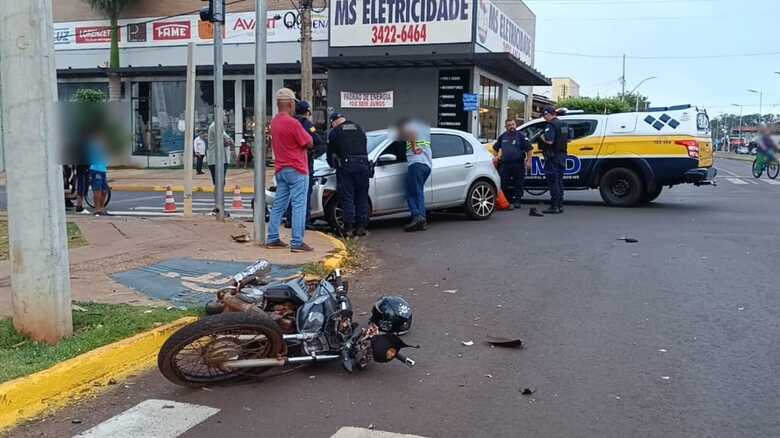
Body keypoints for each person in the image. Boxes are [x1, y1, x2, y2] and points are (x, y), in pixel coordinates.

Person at [266, 88, 314, 252]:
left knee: (279, 205)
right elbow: (309, 142)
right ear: (290, 103)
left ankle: (272, 237)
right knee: (299, 205)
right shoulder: (293, 123)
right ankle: (297, 242)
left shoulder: (274, 122)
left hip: (281, 169)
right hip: (297, 168)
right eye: (294, 103)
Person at [327, 112, 370, 237]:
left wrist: (332, 164)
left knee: (347, 197)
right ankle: (361, 226)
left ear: (334, 122)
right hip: (363, 166)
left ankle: (349, 228)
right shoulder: (359, 128)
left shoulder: (335, 132)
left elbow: (330, 154)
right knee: (362, 196)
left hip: (347, 167)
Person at [294, 100, 326, 229]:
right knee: (304, 192)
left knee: (292, 193)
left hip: (290, 162)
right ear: (307, 112)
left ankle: (290, 220)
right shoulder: (307, 124)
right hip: (305, 161)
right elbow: (317, 140)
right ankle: (305, 221)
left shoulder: (290, 121)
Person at [399, 118, 432, 232]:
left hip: (416, 163)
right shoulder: (425, 128)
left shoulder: (411, 124)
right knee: (419, 192)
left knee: (410, 193)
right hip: (427, 165)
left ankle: (417, 216)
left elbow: (411, 133)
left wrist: (413, 146)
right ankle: (422, 220)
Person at [493, 119, 532, 209]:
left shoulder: (521, 136)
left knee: (518, 183)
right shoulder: (503, 136)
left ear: (516, 125)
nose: (511, 126)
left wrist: (529, 161)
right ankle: (505, 201)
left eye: (513, 124)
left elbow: (529, 149)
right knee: (503, 183)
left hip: (518, 164)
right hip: (505, 164)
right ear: (506, 127)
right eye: (509, 125)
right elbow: (495, 148)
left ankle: (517, 201)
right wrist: (496, 157)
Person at [539, 107, 568, 214]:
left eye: (544, 115)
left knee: (553, 181)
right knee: (559, 181)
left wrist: (542, 137)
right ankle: (560, 205)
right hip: (562, 156)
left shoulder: (550, 125)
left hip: (552, 157)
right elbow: (568, 139)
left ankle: (554, 206)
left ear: (549, 114)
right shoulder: (564, 124)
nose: (544, 118)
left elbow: (549, 141)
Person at [87, 132, 110, 216]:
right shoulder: (93, 145)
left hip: (103, 170)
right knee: (97, 191)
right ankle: (97, 209)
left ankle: (102, 208)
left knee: (104, 191)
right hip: (96, 170)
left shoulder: (102, 146)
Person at [207, 119, 234, 187]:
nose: (225, 118)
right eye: (224, 116)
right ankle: (218, 197)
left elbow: (225, 141)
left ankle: (219, 197)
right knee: (218, 183)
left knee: (221, 183)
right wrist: (230, 141)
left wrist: (229, 142)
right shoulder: (214, 126)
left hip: (222, 160)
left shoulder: (219, 126)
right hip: (215, 160)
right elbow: (224, 137)